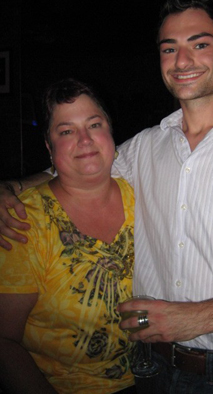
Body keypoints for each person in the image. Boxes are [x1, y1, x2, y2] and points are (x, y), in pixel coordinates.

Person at [0, 0, 213, 392]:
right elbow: (82, 163)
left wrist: (198, 319)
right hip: (146, 369)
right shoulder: (146, 146)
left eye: (199, 44)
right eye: (169, 48)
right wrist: (10, 187)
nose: (182, 61)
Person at [0, 78, 137, 394]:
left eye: (94, 124)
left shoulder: (143, 198)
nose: (85, 139)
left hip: (153, 379)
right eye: (66, 131)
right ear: (49, 147)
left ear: (111, 132)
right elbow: (5, 341)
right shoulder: (24, 219)